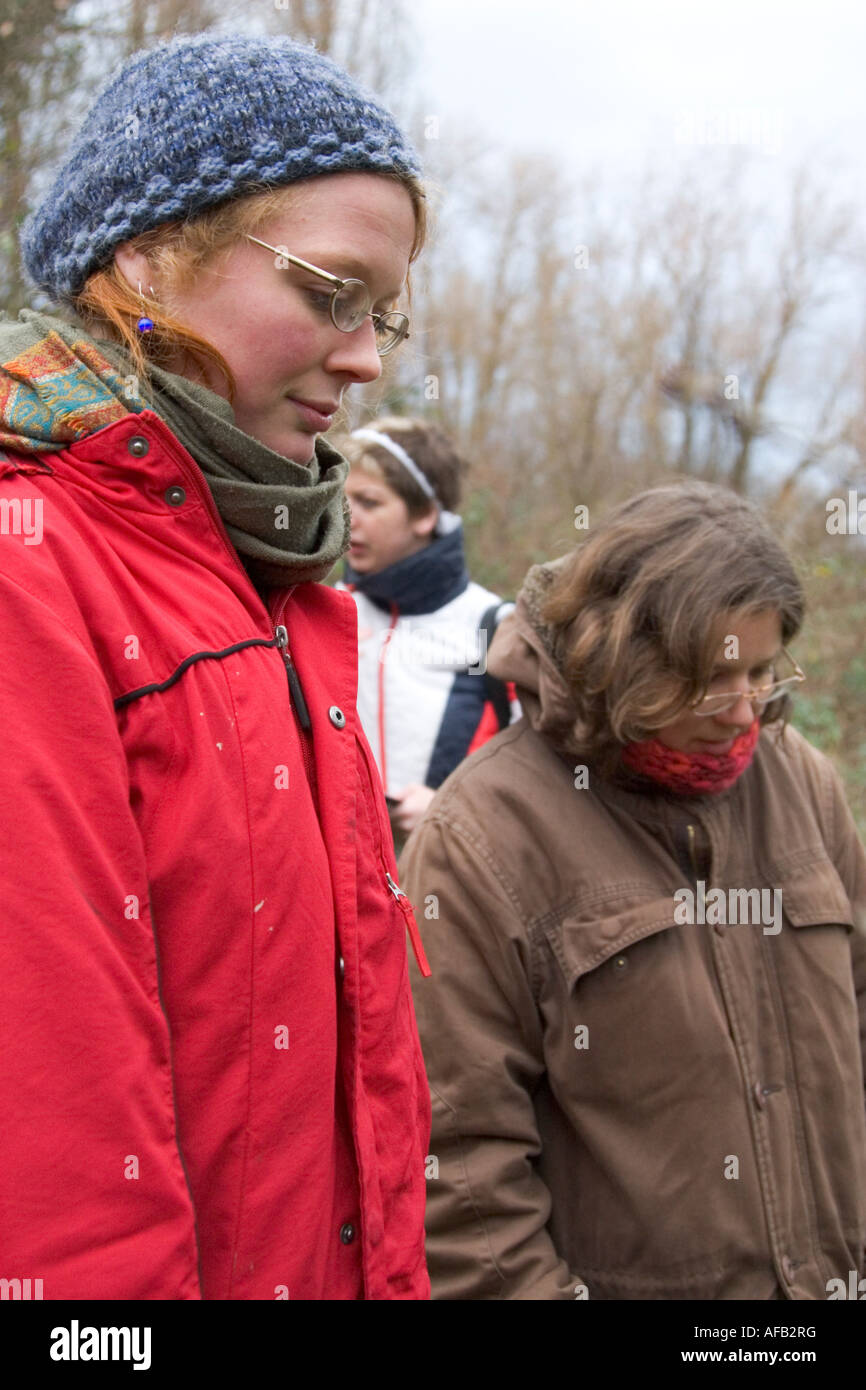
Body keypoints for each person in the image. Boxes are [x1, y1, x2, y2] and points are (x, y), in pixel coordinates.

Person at [0, 32, 432, 1301]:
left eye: (384, 316)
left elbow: (362, 1089)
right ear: (143, 261)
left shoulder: (285, 598)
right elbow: (58, 1148)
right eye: (329, 290)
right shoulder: (34, 568)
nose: (364, 360)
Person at [400, 481, 866, 1300]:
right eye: (708, 678)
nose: (742, 709)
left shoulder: (804, 785)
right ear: (622, 654)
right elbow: (462, 1169)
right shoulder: (484, 836)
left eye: (761, 670)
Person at [337, 417, 517, 855]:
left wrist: (453, 811)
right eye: (343, 499)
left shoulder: (497, 629)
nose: (347, 517)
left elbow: (544, 781)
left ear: (425, 515)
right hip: (336, 889)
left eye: (369, 502)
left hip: (447, 890)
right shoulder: (323, 611)